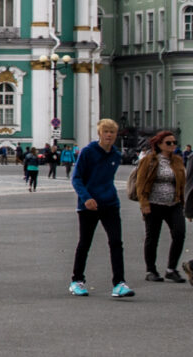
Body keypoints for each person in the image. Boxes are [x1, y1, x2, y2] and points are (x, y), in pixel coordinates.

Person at [71, 118, 134, 298]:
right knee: (85, 242)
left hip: (110, 204)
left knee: (116, 242)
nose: (109, 135)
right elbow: (77, 178)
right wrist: (86, 198)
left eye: (112, 132)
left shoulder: (115, 154)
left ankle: (119, 283)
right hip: (88, 205)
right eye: (105, 131)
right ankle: (77, 280)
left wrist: (108, 195)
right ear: (99, 133)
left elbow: (107, 179)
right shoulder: (88, 152)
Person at [129, 130, 186, 284]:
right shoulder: (149, 160)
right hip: (153, 205)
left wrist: (182, 202)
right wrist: (144, 204)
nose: (172, 145)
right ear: (159, 144)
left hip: (174, 204)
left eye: (174, 143)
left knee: (179, 234)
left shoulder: (178, 161)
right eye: (169, 143)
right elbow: (141, 184)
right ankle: (151, 270)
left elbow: (181, 183)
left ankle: (171, 269)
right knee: (152, 238)